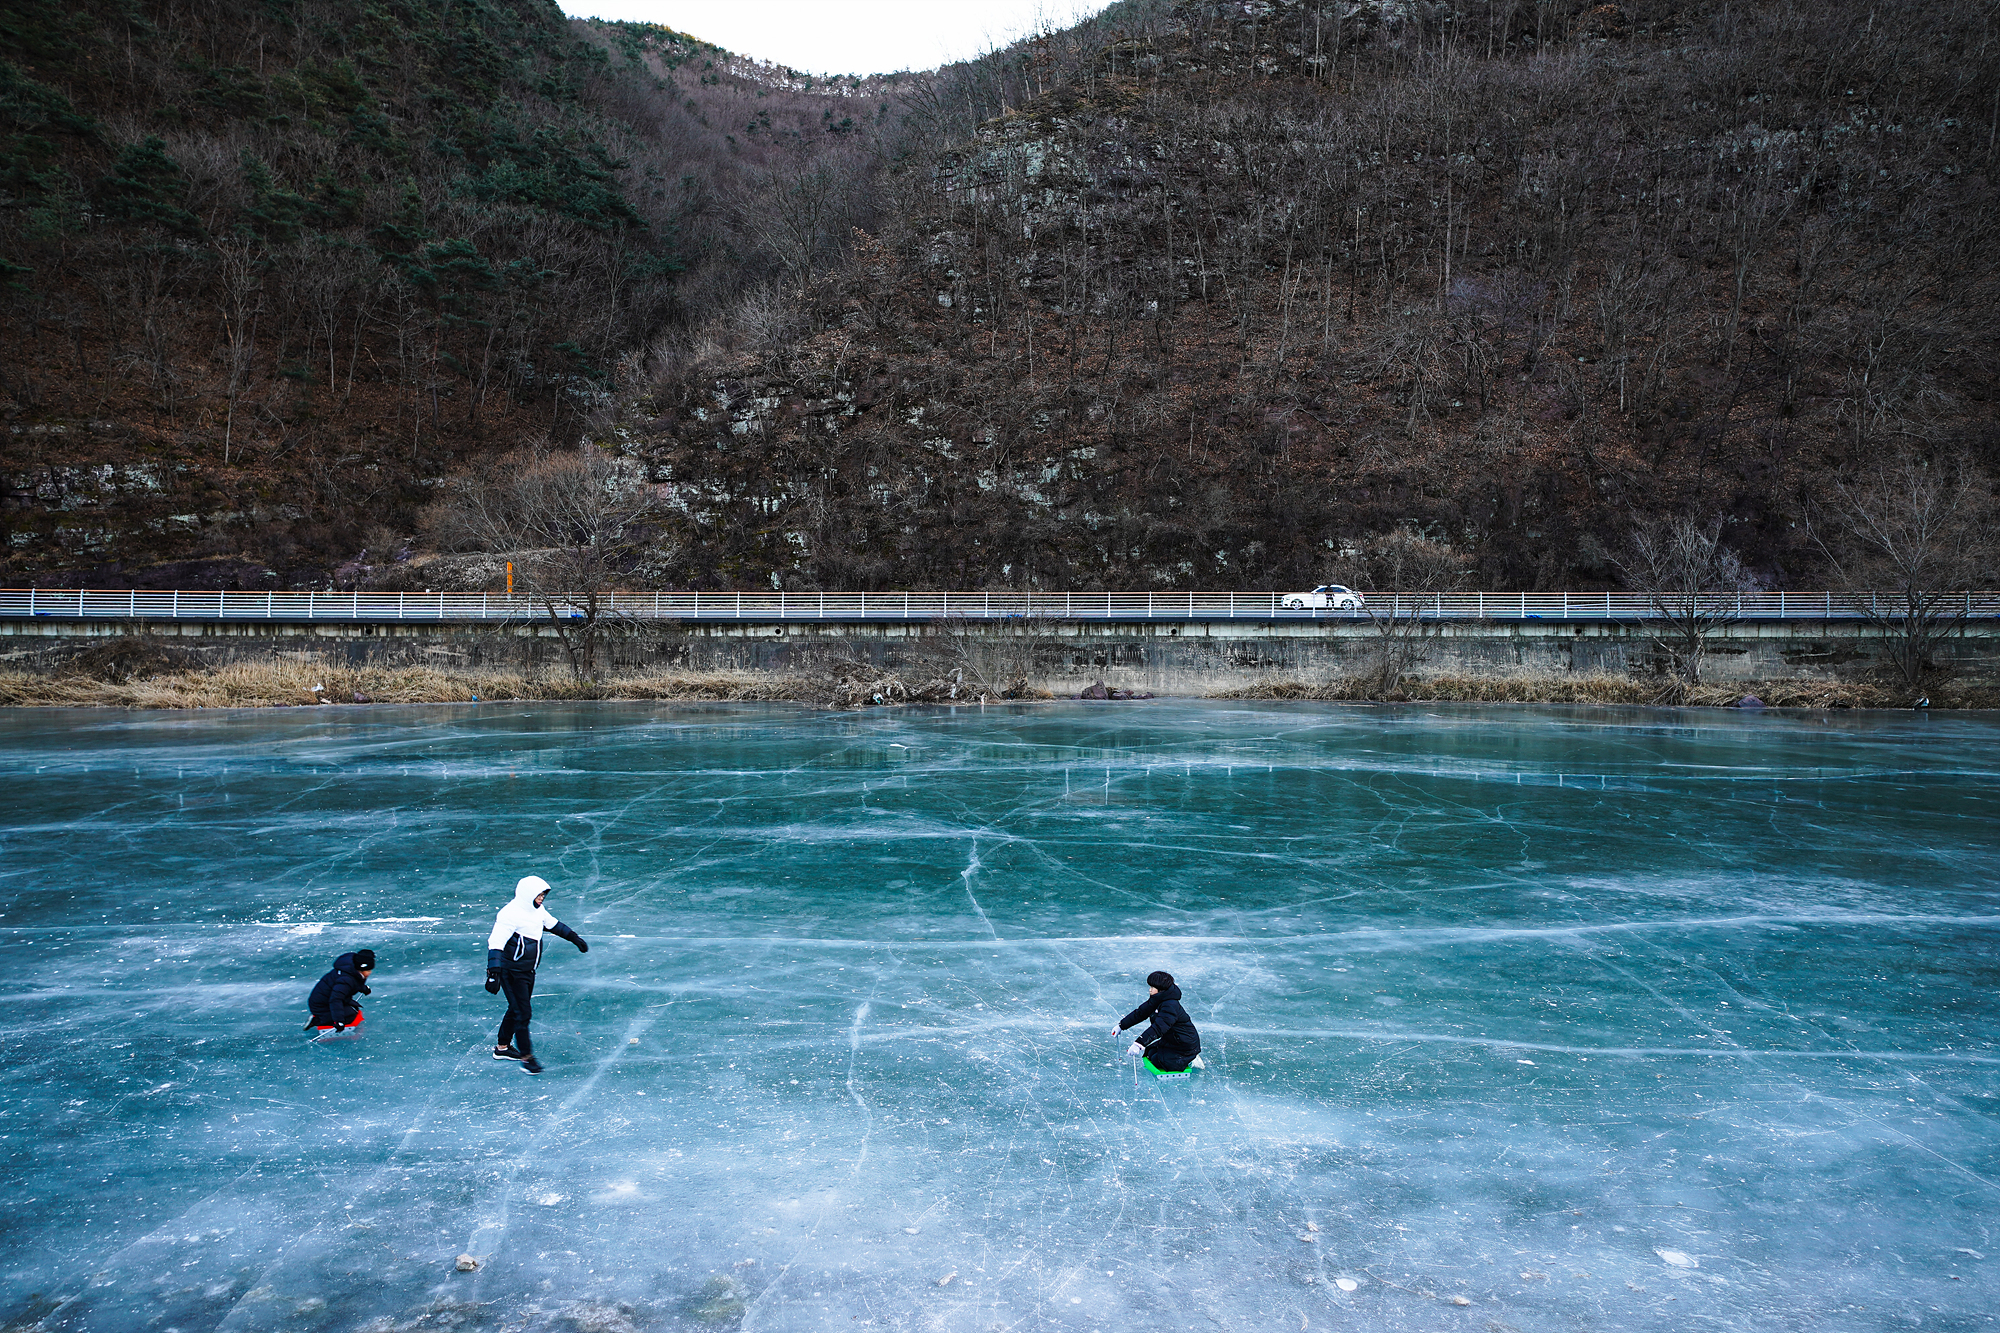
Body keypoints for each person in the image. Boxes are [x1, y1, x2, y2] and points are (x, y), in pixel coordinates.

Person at [486, 875, 588, 1075]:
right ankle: (527, 1058)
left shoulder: (536, 910)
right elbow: (496, 942)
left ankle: (502, 1048)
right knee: (523, 1013)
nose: (541, 898)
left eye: (543, 895)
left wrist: (574, 938)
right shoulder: (509, 914)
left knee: (516, 1009)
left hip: (527, 970)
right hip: (510, 971)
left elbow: (553, 924)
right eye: (538, 895)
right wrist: (493, 972)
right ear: (527, 894)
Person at [1113, 970, 1203, 1073]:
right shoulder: (1157, 999)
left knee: (1158, 1060)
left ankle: (1191, 1059)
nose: (1149, 990)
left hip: (1184, 1044)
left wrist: (1139, 1043)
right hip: (1172, 1040)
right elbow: (1140, 1013)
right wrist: (1121, 1026)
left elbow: (1159, 1027)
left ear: (1160, 989)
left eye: (1152, 987)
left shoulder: (1170, 1005)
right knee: (1150, 1053)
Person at [306, 949, 375, 1033]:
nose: (370, 973)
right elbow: (336, 999)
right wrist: (339, 1021)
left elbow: (355, 982)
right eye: (368, 970)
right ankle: (317, 1020)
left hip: (328, 999)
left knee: (353, 1009)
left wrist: (363, 988)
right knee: (350, 1016)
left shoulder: (351, 971)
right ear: (360, 969)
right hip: (322, 1005)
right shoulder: (346, 979)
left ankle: (325, 1016)